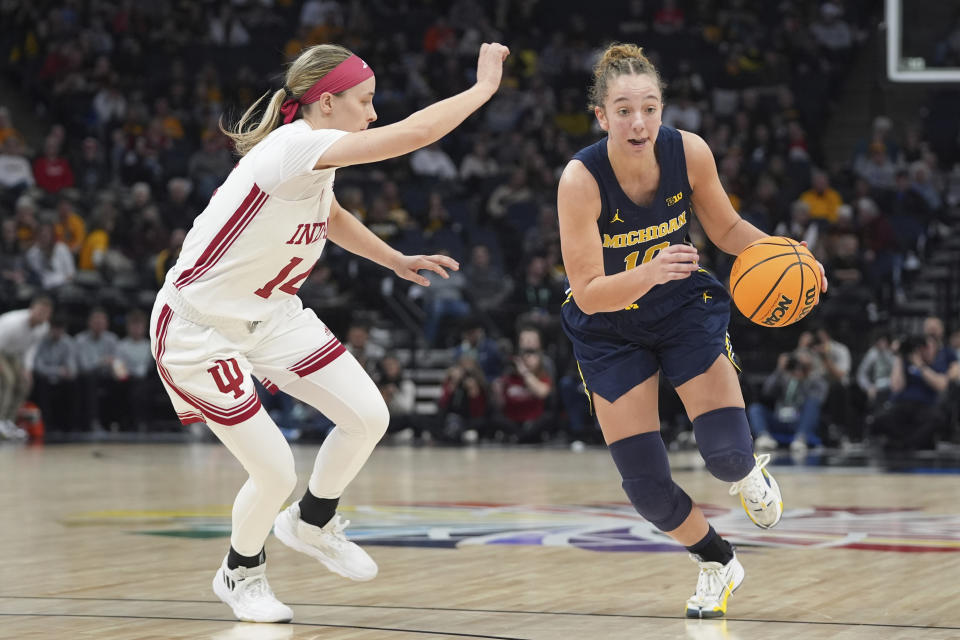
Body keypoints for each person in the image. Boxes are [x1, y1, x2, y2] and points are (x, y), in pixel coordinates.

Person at [149, 42, 509, 623]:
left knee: (369, 415)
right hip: (200, 328)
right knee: (274, 470)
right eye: (364, 102)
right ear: (326, 101)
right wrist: (481, 90)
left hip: (271, 314)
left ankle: (311, 522)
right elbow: (412, 135)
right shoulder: (293, 148)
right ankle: (239, 572)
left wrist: (392, 259)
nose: (371, 113)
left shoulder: (311, 159)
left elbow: (330, 214)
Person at [555, 44, 827, 619]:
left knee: (727, 455)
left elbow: (726, 227)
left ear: (662, 110)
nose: (639, 122)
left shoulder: (690, 152)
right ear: (601, 116)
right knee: (649, 492)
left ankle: (750, 472)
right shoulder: (580, 180)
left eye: (649, 108)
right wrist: (648, 271)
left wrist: (786, 251)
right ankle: (718, 561)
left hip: (681, 307)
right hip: (608, 326)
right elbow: (586, 290)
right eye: (624, 109)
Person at [0, 296, 52, 439]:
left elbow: (30, 349)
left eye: (46, 313)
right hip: (1, 351)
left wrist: (27, 369)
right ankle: (0, 419)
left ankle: (9, 421)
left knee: (24, 384)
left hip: (14, 355)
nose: (43, 315)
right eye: (40, 311)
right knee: (8, 380)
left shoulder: (44, 327)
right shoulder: (13, 323)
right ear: (32, 310)